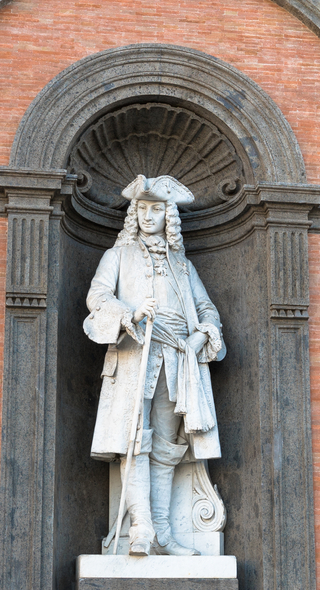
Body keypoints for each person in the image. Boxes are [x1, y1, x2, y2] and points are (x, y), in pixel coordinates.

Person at [84, 175, 225, 556]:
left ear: (169, 215)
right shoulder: (117, 256)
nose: (149, 216)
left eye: (157, 208)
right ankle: (141, 527)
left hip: (178, 358)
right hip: (135, 354)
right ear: (134, 213)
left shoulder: (182, 265)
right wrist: (129, 312)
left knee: (168, 443)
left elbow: (206, 309)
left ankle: (163, 531)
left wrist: (199, 337)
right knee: (134, 438)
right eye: (143, 208)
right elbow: (97, 298)